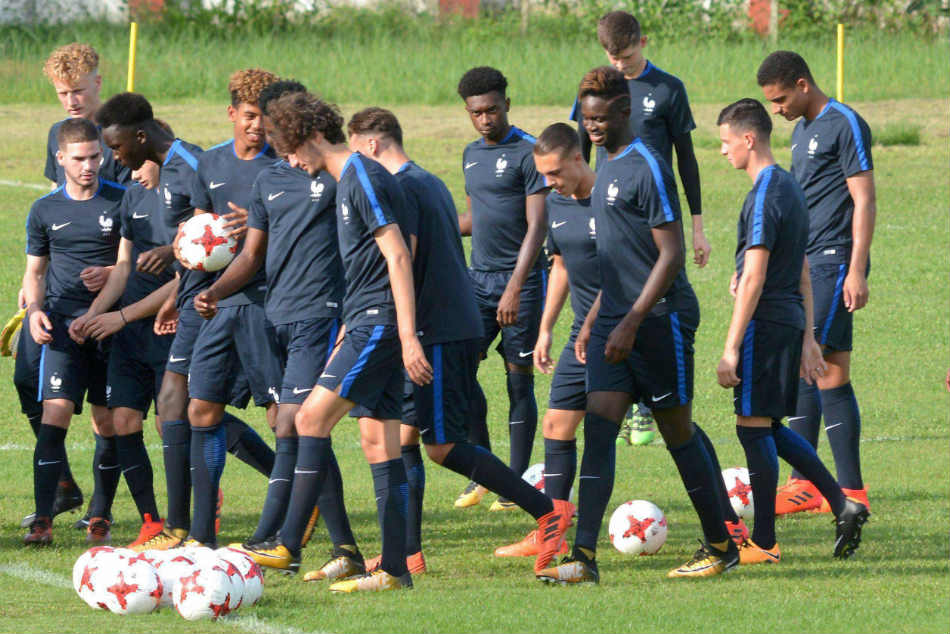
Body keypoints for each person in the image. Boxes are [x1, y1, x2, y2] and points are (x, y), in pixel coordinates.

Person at [497, 123, 749, 559]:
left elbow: (629, 268)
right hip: (586, 334)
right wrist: (547, 327)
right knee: (559, 425)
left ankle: (725, 527)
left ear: (578, 158)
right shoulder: (556, 204)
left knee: (676, 425)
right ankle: (557, 534)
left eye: (554, 172)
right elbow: (561, 266)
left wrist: (600, 321)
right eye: (543, 175)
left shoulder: (610, 200)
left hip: (628, 324)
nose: (548, 183)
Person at [345, 107, 575, 578]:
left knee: (442, 445)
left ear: (370, 145)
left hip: (439, 331)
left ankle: (548, 511)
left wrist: (403, 333)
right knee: (404, 437)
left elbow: (405, 261)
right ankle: (406, 554)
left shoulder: (403, 188)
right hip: (440, 325)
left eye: (355, 154)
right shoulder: (426, 180)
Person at [537, 67, 737, 584]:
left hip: (660, 321)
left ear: (625, 110)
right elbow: (617, 257)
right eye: (586, 119)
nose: (592, 127)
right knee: (599, 430)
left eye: (601, 118)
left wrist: (630, 321)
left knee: (677, 433)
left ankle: (721, 544)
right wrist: (595, 320)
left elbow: (670, 256)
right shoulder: (604, 165)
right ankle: (583, 558)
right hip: (614, 322)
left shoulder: (647, 166)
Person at [252, 91, 428, 593]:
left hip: (380, 323)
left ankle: (287, 544)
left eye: (290, 149)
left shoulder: (361, 177)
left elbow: (399, 255)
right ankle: (394, 570)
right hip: (365, 320)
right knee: (380, 444)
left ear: (310, 136)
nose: (290, 161)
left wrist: (406, 335)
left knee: (309, 418)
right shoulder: (349, 178)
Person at [98, 90, 275, 551]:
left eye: (117, 147)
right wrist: (177, 287)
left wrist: (174, 258)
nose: (115, 157)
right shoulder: (162, 170)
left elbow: (228, 235)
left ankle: (292, 490)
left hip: (228, 301)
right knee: (176, 403)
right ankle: (178, 528)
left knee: (257, 409)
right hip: (192, 296)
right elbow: (197, 238)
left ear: (140, 136)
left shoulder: (195, 163)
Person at [200, 79, 363, 579]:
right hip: (276, 317)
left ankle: (273, 539)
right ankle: (344, 548)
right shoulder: (268, 180)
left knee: (294, 422)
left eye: (277, 129)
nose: (271, 139)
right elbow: (252, 255)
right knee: (302, 427)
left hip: (321, 313)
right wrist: (215, 292)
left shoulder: (336, 175)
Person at [715, 97, 869, 562]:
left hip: (764, 323)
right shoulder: (790, 186)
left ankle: (764, 542)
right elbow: (801, 265)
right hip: (786, 322)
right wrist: (807, 337)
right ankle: (842, 503)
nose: (722, 151)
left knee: (751, 427)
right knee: (767, 426)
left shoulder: (765, 193)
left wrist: (731, 346)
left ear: (748, 139)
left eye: (725, 142)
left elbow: (756, 276)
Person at [571, 11, 712, 446]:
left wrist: (697, 225)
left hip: (653, 214)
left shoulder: (668, 89)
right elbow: (580, 151)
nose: (620, 64)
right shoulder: (597, 89)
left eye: (627, 56)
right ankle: (624, 398)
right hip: (609, 211)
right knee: (604, 298)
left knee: (652, 299)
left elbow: (686, 158)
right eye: (612, 57)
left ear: (643, 42)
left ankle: (647, 403)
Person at [16, 42, 135, 531]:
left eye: (78, 91)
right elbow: (54, 210)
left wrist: (112, 273)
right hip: (61, 307)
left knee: (119, 413)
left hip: (114, 305)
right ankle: (56, 494)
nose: (71, 101)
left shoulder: (126, 133)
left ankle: (100, 510)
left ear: (98, 84)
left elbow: (136, 235)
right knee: (34, 387)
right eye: (62, 93)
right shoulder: (57, 141)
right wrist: (34, 294)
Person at [757, 51, 876, 514]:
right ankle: (839, 489)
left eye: (781, 99)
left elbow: (863, 200)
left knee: (809, 361)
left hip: (834, 261)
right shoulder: (801, 130)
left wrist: (856, 269)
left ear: (803, 85)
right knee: (829, 370)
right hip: (807, 264)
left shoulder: (844, 123)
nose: (777, 109)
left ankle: (813, 484)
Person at [183, 68, 285, 548]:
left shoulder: (282, 166)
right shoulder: (210, 163)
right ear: (231, 113)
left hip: (268, 304)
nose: (257, 126)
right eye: (248, 116)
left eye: (265, 117)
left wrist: (263, 225)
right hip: (221, 303)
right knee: (201, 408)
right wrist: (192, 267)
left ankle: (296, 516)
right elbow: (199, 233)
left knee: (282, 416)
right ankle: (202, 535)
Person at [68, 154, 180, 548]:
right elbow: (123, 267)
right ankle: (151, 522)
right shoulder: (133, 197)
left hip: (169, 329)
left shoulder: (184, 198)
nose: (132, 173)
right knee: (123, 420)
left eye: (137, 163)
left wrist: (122, 316)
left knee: (174, 423)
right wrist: (93, 315)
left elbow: (188, 276)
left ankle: (187, 518)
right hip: (129, 334)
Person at [455, 66, 549, 510]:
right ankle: (483, 471)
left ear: (507, 104)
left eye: (492, 110)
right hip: (477, 282)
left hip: (522, 283)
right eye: (476, 112)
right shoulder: (470, 154)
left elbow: (537, 226)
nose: (485, 119)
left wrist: (514, 287)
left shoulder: (529, 152)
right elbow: (476, 218)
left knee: (517, 381)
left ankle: (515, 483)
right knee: (461, 370)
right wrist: (431, 227)